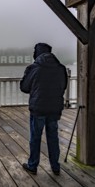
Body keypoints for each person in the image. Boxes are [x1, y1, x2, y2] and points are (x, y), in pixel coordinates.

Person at [20, 43, 67, 176]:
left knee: (35, 137)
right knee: (53, 137)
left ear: (37, 53)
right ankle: (55, 166)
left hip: (38, 108)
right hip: (54, 108)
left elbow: (24, 87)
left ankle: (33, 165)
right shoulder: (60, 68)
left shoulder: (34, 68)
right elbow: (63, 86)